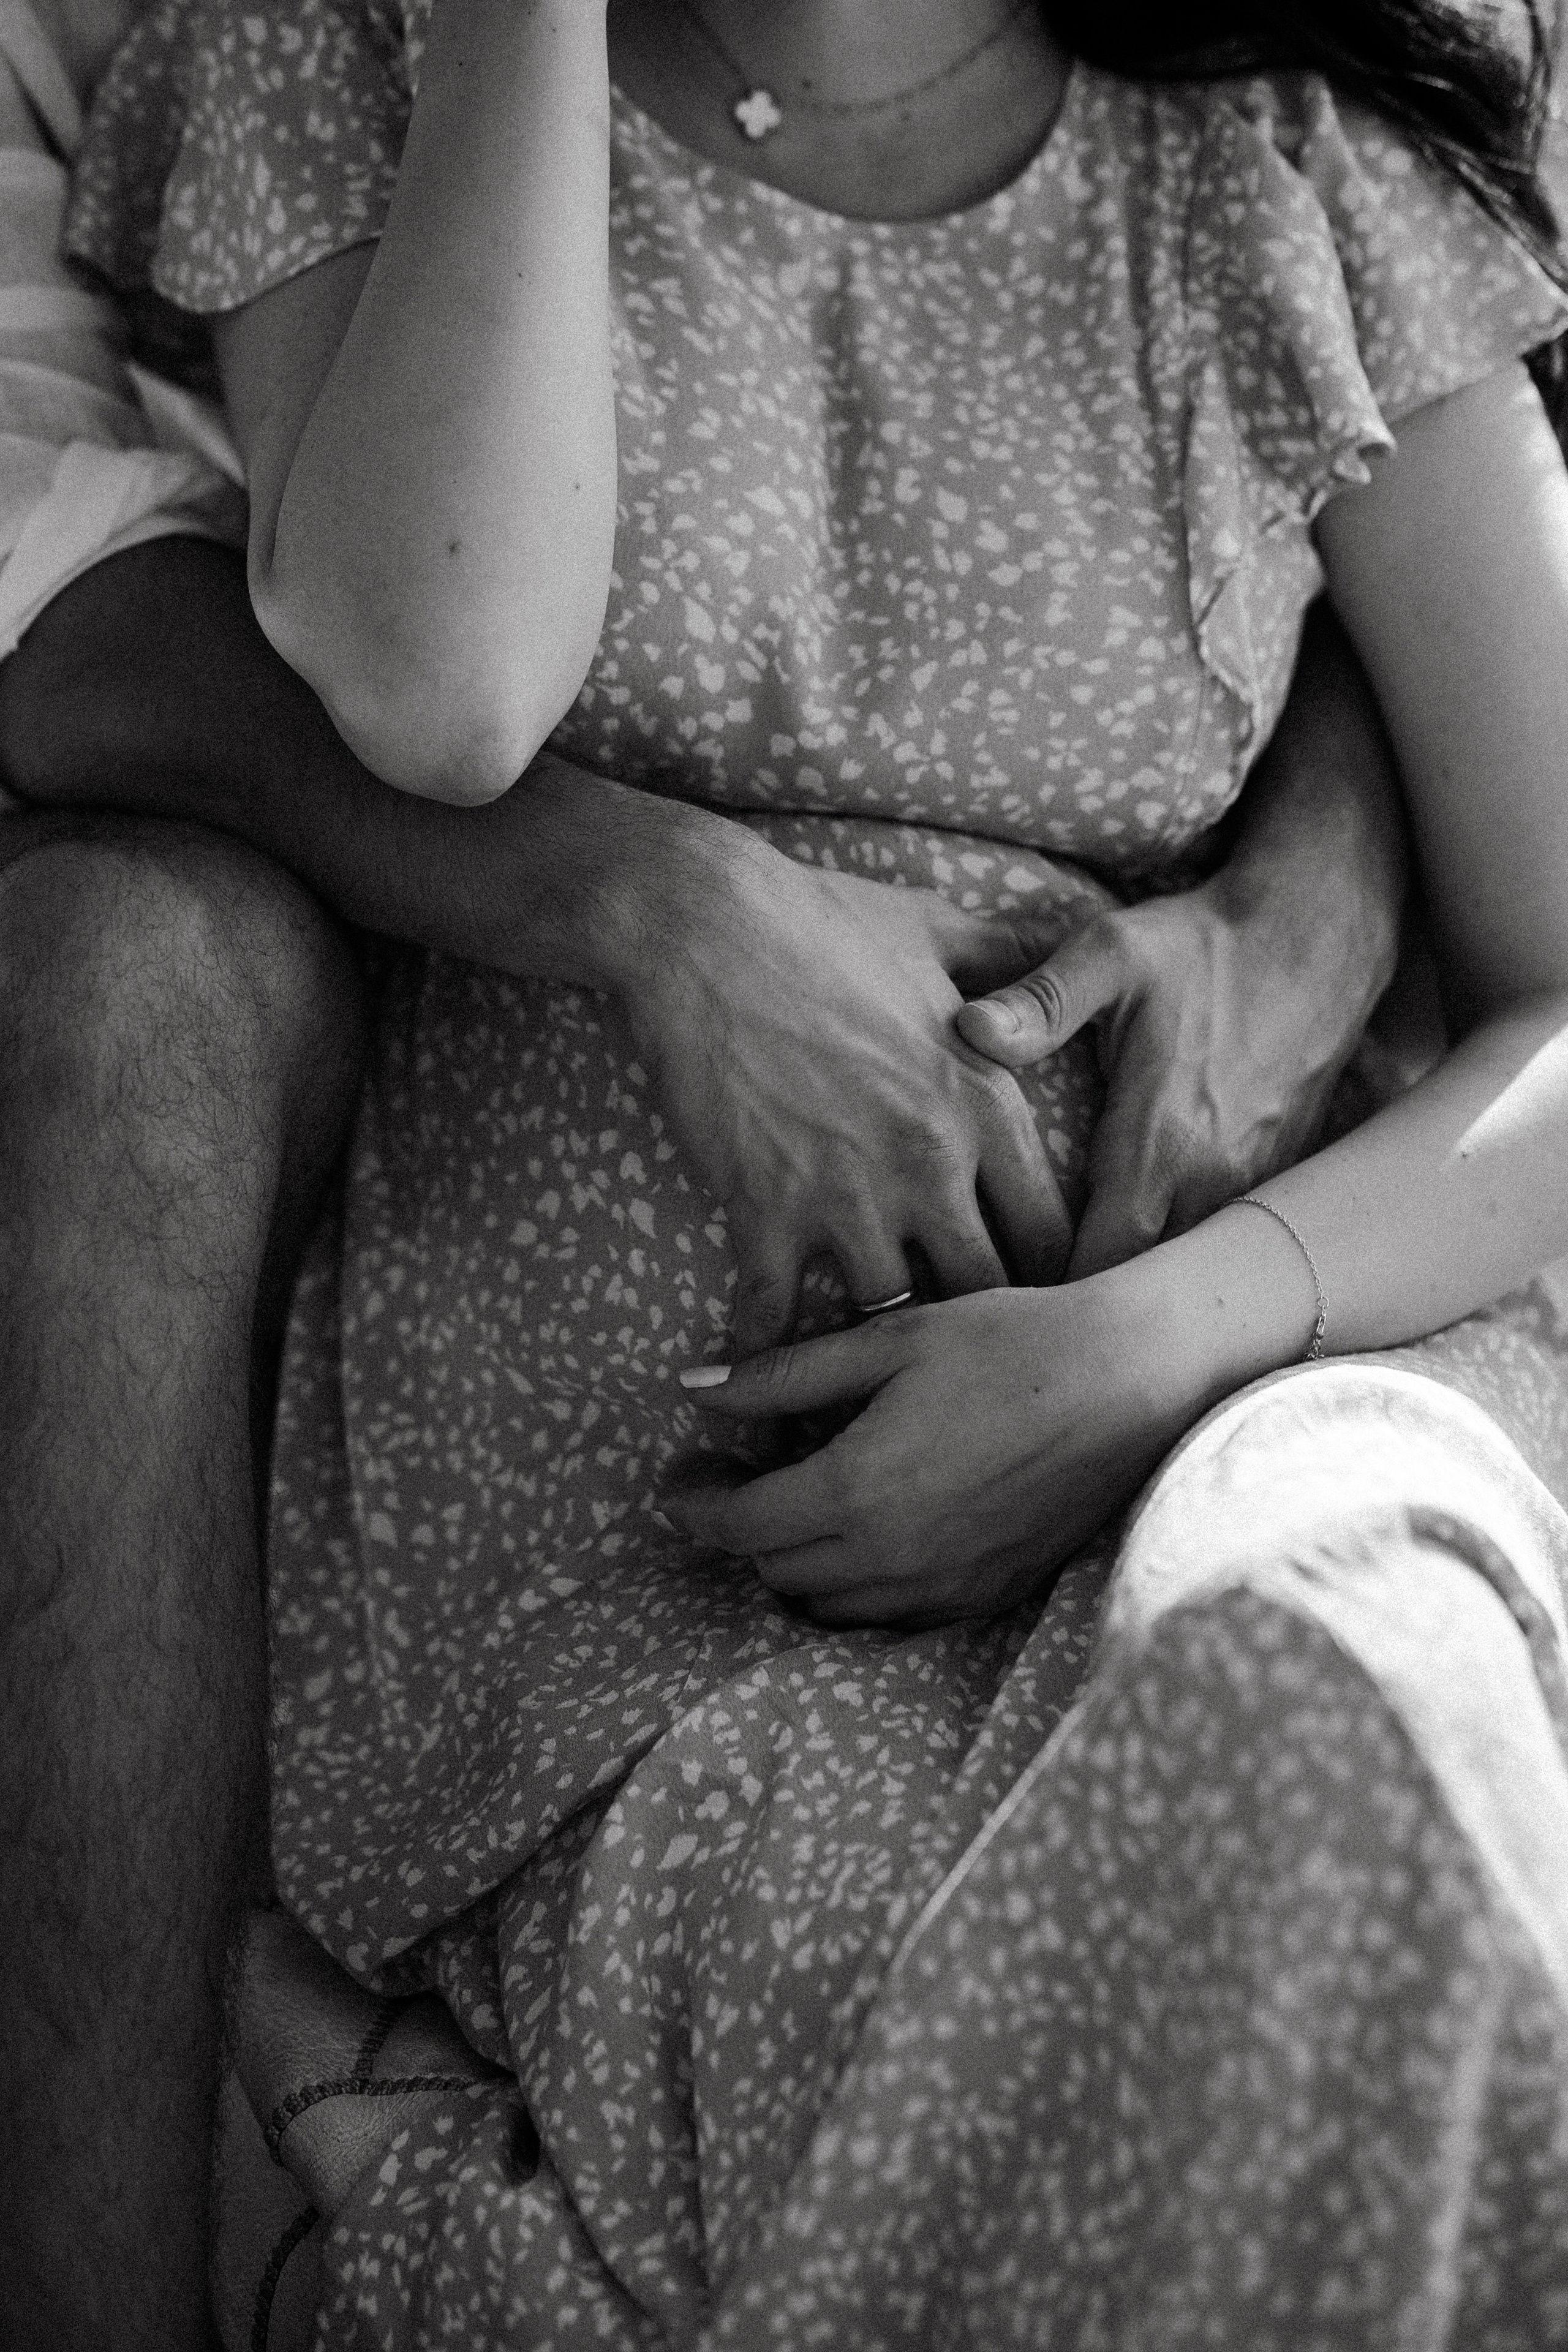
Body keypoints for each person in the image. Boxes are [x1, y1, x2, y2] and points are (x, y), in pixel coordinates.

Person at [0, 7, 1418, 2349]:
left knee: (1322, 1796)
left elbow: (1447, 462)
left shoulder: (1278, 139)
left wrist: (1326, 883)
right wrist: (677, 913)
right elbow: (104, 633)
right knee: (106, 989)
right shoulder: (304, 54)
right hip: (470, 1110)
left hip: (1187, 1330)